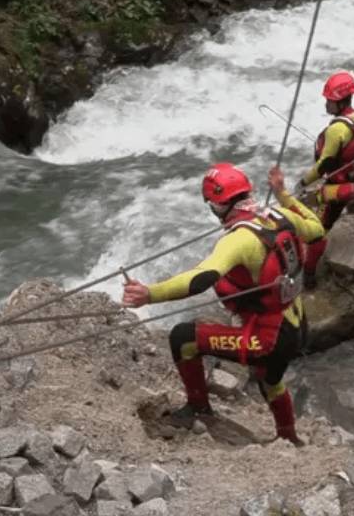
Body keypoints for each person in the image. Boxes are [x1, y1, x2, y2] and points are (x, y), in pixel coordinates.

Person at [121, 164, 324, 446]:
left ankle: (199, 408)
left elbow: (201, 278)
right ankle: (289, 438)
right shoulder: (280, 214)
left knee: (183, 338)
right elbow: (316, 230)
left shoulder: (238, 239)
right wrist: (283, 194)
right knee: (271, 380)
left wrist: (150, 294)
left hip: (267, 338)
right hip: (296, 324)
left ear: (219, 205)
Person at [299, 71, 354, 288]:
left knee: (318, 231)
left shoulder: (337, 130)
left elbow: (324, 165)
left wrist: (303, 181)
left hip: (338, 187)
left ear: (338, 102)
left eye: (329, 100)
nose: (326, 104)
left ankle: (308, 274)